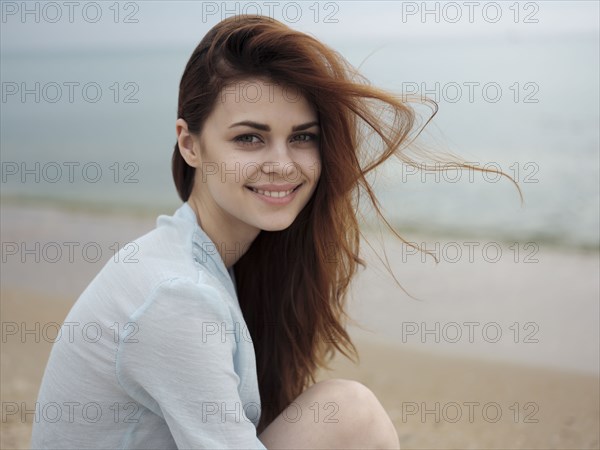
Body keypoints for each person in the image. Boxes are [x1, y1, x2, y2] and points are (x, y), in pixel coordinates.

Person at [29, 14, 470, 449]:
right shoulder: (178, 295)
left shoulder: (204, 257)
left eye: (302, 137)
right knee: (350, 412)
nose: (282, 164)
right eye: (249, 138)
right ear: (190, 144)